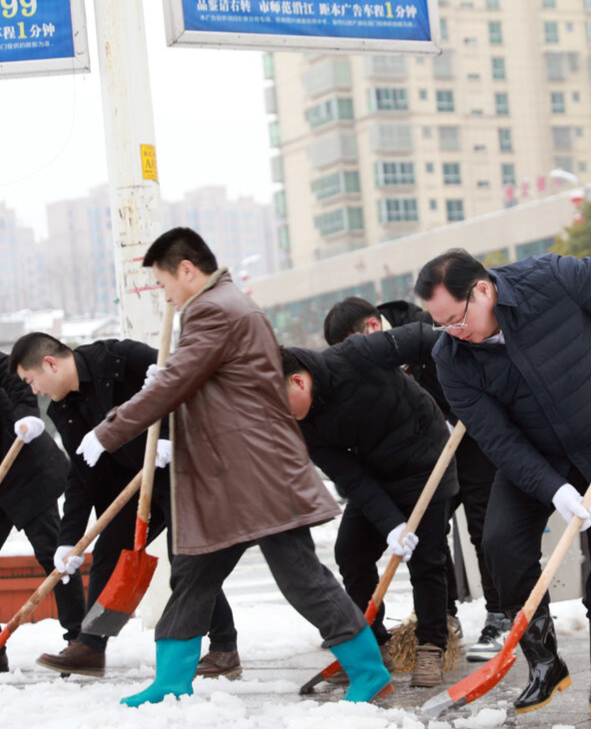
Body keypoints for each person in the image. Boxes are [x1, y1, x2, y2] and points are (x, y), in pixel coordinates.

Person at [71, 227, 389, 707]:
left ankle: (368, 671)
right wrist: (174, 400)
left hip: (254, 472)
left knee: (301, 577)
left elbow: (178, 381)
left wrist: (109, 429)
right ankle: (171, 680)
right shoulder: (222, 305)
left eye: (164, 283)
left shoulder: (213, 309)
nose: (166, 295)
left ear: (186, 270)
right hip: (228, 475)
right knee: (193, 573)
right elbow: (209, 384)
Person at [414, 249, 591, 721]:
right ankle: (545, 663)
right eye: (441, 325)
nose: (454, 332)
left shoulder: (550, 279)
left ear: (481, 290)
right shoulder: (451, 358)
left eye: (456, 319)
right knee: (500, 544)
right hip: (537, 459)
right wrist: (554, 489)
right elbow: (498, 438)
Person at [7, 334, 241, 679]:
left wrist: (172, 441)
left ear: (50, 364)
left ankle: (224, 647)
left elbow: (188, 384)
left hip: (183, 470)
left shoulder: (119, 358)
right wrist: (68, 540)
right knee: (109, 553)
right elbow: (80, 474)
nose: (35, 390)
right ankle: (91, 645)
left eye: (31, 381)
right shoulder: (65, 408)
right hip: (138, 484)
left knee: (185, 560)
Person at [324, 297, 509, 662]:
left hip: (471, 434)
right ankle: (444, 615)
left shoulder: (424, 327)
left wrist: (460, 410)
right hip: (423, 452)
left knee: (483, 524)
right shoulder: (365, 360)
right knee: (430, 534)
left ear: (372, 329)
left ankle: (500, 615)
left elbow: (469, 357)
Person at [280, 322, 458, 686]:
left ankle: (431, 647)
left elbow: (426, 337)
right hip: (376, 478)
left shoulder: (356, 355)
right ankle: (372, 646)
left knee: (427, 559)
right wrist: (391, 524)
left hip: (427, 462)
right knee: (351, 552)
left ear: (298, 382)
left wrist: (460, 387)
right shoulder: (302, 425)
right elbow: (351, 477)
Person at [0, 351, 83, 674]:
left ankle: (79, 642)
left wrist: (26, 417)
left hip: (26, 474)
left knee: (54, 554)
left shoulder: (2, 365)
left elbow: (19, 388)